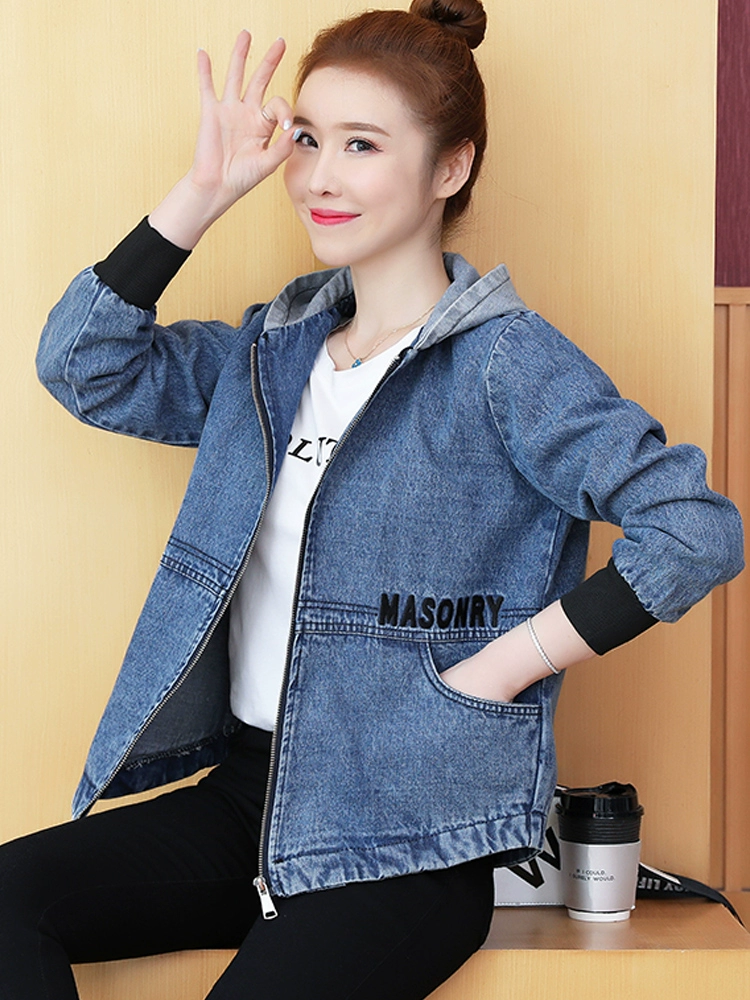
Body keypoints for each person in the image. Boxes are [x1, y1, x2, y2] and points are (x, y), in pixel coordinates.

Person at [0, 1, 743, 997]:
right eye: (307, 139)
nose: (319, 176)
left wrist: (496, 670)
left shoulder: (506, 364)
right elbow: (83, 363)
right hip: (253, 797)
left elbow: (694, 530)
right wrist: (203, 191)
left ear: (451, 167)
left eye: (362, 144)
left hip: (410, 831)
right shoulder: (272, 352)